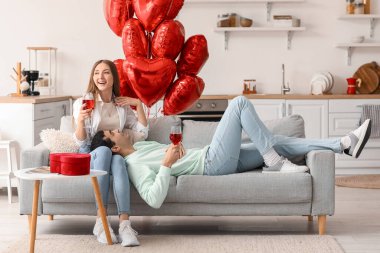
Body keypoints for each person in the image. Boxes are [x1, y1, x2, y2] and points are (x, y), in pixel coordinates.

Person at [90, 96, 371, 211]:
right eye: (114, 132)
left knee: (277, 141)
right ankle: (273, 161)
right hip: (212, 163)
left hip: (213, 156)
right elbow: (152, 200)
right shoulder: (134, 163)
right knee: (238, 103)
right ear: (114, 147)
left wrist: (173, 151)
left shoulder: (140, 145)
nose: (120, 129)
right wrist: (166, 165)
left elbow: (147, 132)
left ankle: (342, 144)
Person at [73, 59, 148, 247]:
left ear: (113, 78)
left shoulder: (121, 106)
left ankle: (125, 225)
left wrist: (138, 105)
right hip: (91, 151)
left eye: (106, 72)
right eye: (96, 72)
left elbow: (142, 132)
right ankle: (101, 221)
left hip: (114, 152)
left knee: (119, 162)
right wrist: (80, 121)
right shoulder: (84, 102)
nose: (100, 77)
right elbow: (81, 142)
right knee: (106, 154)